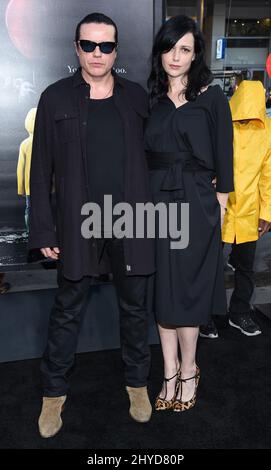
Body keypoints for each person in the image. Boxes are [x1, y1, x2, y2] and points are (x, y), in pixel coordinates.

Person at [29, 12, 155, 438]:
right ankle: (53, 395)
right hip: (78, 222)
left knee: (135, 310)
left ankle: (137, 385)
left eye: (105, 46)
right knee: (67, 311)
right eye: (89, 45)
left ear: (116, 49)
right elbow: (40, 167)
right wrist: (44, 232)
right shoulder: (56, 98)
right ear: (76, 47)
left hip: (130, 220)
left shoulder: (137, 97)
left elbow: (157, 155)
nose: (97, 53)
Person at [145, 15, 233, 412]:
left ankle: (190, 368)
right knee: (164, 289)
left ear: (196, 53)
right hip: (156, 201)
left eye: (185, 48)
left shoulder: (210, 96)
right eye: (169, 47)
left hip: (198, 201)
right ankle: (168, 370)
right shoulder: (150, 99)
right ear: (159, 51)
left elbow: (225, 153)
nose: (175, 56)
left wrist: (223, 198)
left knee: (190, 288)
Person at [222, 80, 271, 336]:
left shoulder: (268, 131)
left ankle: (239, 313)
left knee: (245, 268)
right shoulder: (221, 125)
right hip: (218, 208)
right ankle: (208, 314)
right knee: (207, 268)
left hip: (249, 212)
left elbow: (268, 175)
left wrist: (267, 213)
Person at [17, 108, 37, 232]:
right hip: (45, 185)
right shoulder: (48, 142)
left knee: (29, 208)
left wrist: (21, 188)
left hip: (29, 185)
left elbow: (21, 168)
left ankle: (30, 231)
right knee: (45, 208)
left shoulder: (24, 144)